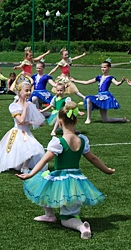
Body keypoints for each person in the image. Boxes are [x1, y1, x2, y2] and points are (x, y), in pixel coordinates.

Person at [16, 101, 115, 239]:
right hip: (76, 182)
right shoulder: (82, 140)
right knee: (55, 196)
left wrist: (30, 174)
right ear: (76, 121)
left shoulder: (58, 142)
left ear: (60, 123)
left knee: (44, 186)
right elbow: (93, 159)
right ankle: (56, 216)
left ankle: (80, 226)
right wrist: (107, 170)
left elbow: (45, 159)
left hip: (60, 178)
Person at [0, 78, 46, 173]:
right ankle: (23, 167)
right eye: (26, 90)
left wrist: (30, 121)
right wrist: (25, 108)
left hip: (27, 132)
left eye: (29, 90)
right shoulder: (14, 106)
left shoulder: (30, 104)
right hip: (18, 132)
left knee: (35, 148)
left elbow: (41, 122)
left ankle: (24, 167)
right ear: (19, 92)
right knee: (27, 150)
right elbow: (21, 120)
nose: (28, 92)